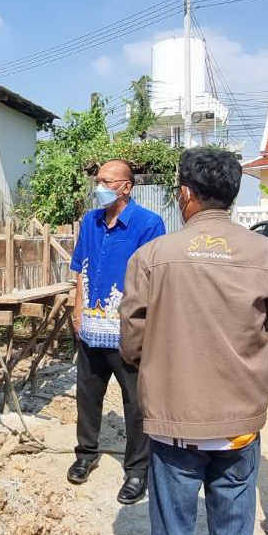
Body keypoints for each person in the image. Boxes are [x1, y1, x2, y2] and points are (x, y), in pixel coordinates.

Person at [112, 148, 268, 535]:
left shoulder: (154, 255)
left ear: (185, 193)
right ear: (232, 194)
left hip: (174, 428)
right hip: (239, 427)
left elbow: (132, 341)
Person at [67, 159, 166, 504]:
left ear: (126, 187)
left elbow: (154, 280)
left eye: (107, 182)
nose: (100, 187)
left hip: (128, 332)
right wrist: (77, 312)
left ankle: (137, 471)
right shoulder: (90, 222)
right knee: (87, 396)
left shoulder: (149, 224)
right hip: (91, 329)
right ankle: (86, 453)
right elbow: (81, 268)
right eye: (98, 180)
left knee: (135, 403)